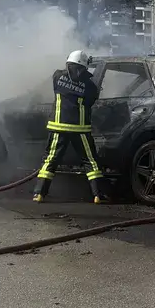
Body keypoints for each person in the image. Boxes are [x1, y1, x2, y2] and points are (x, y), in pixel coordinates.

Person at [32, 50, 109, 203]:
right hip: (80, 129)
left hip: (58, 126)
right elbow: (91, 101)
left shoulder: (57, 76)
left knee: (50, 159)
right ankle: (97, 195)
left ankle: (39, 193)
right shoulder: (89, 86)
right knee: (90, 161)